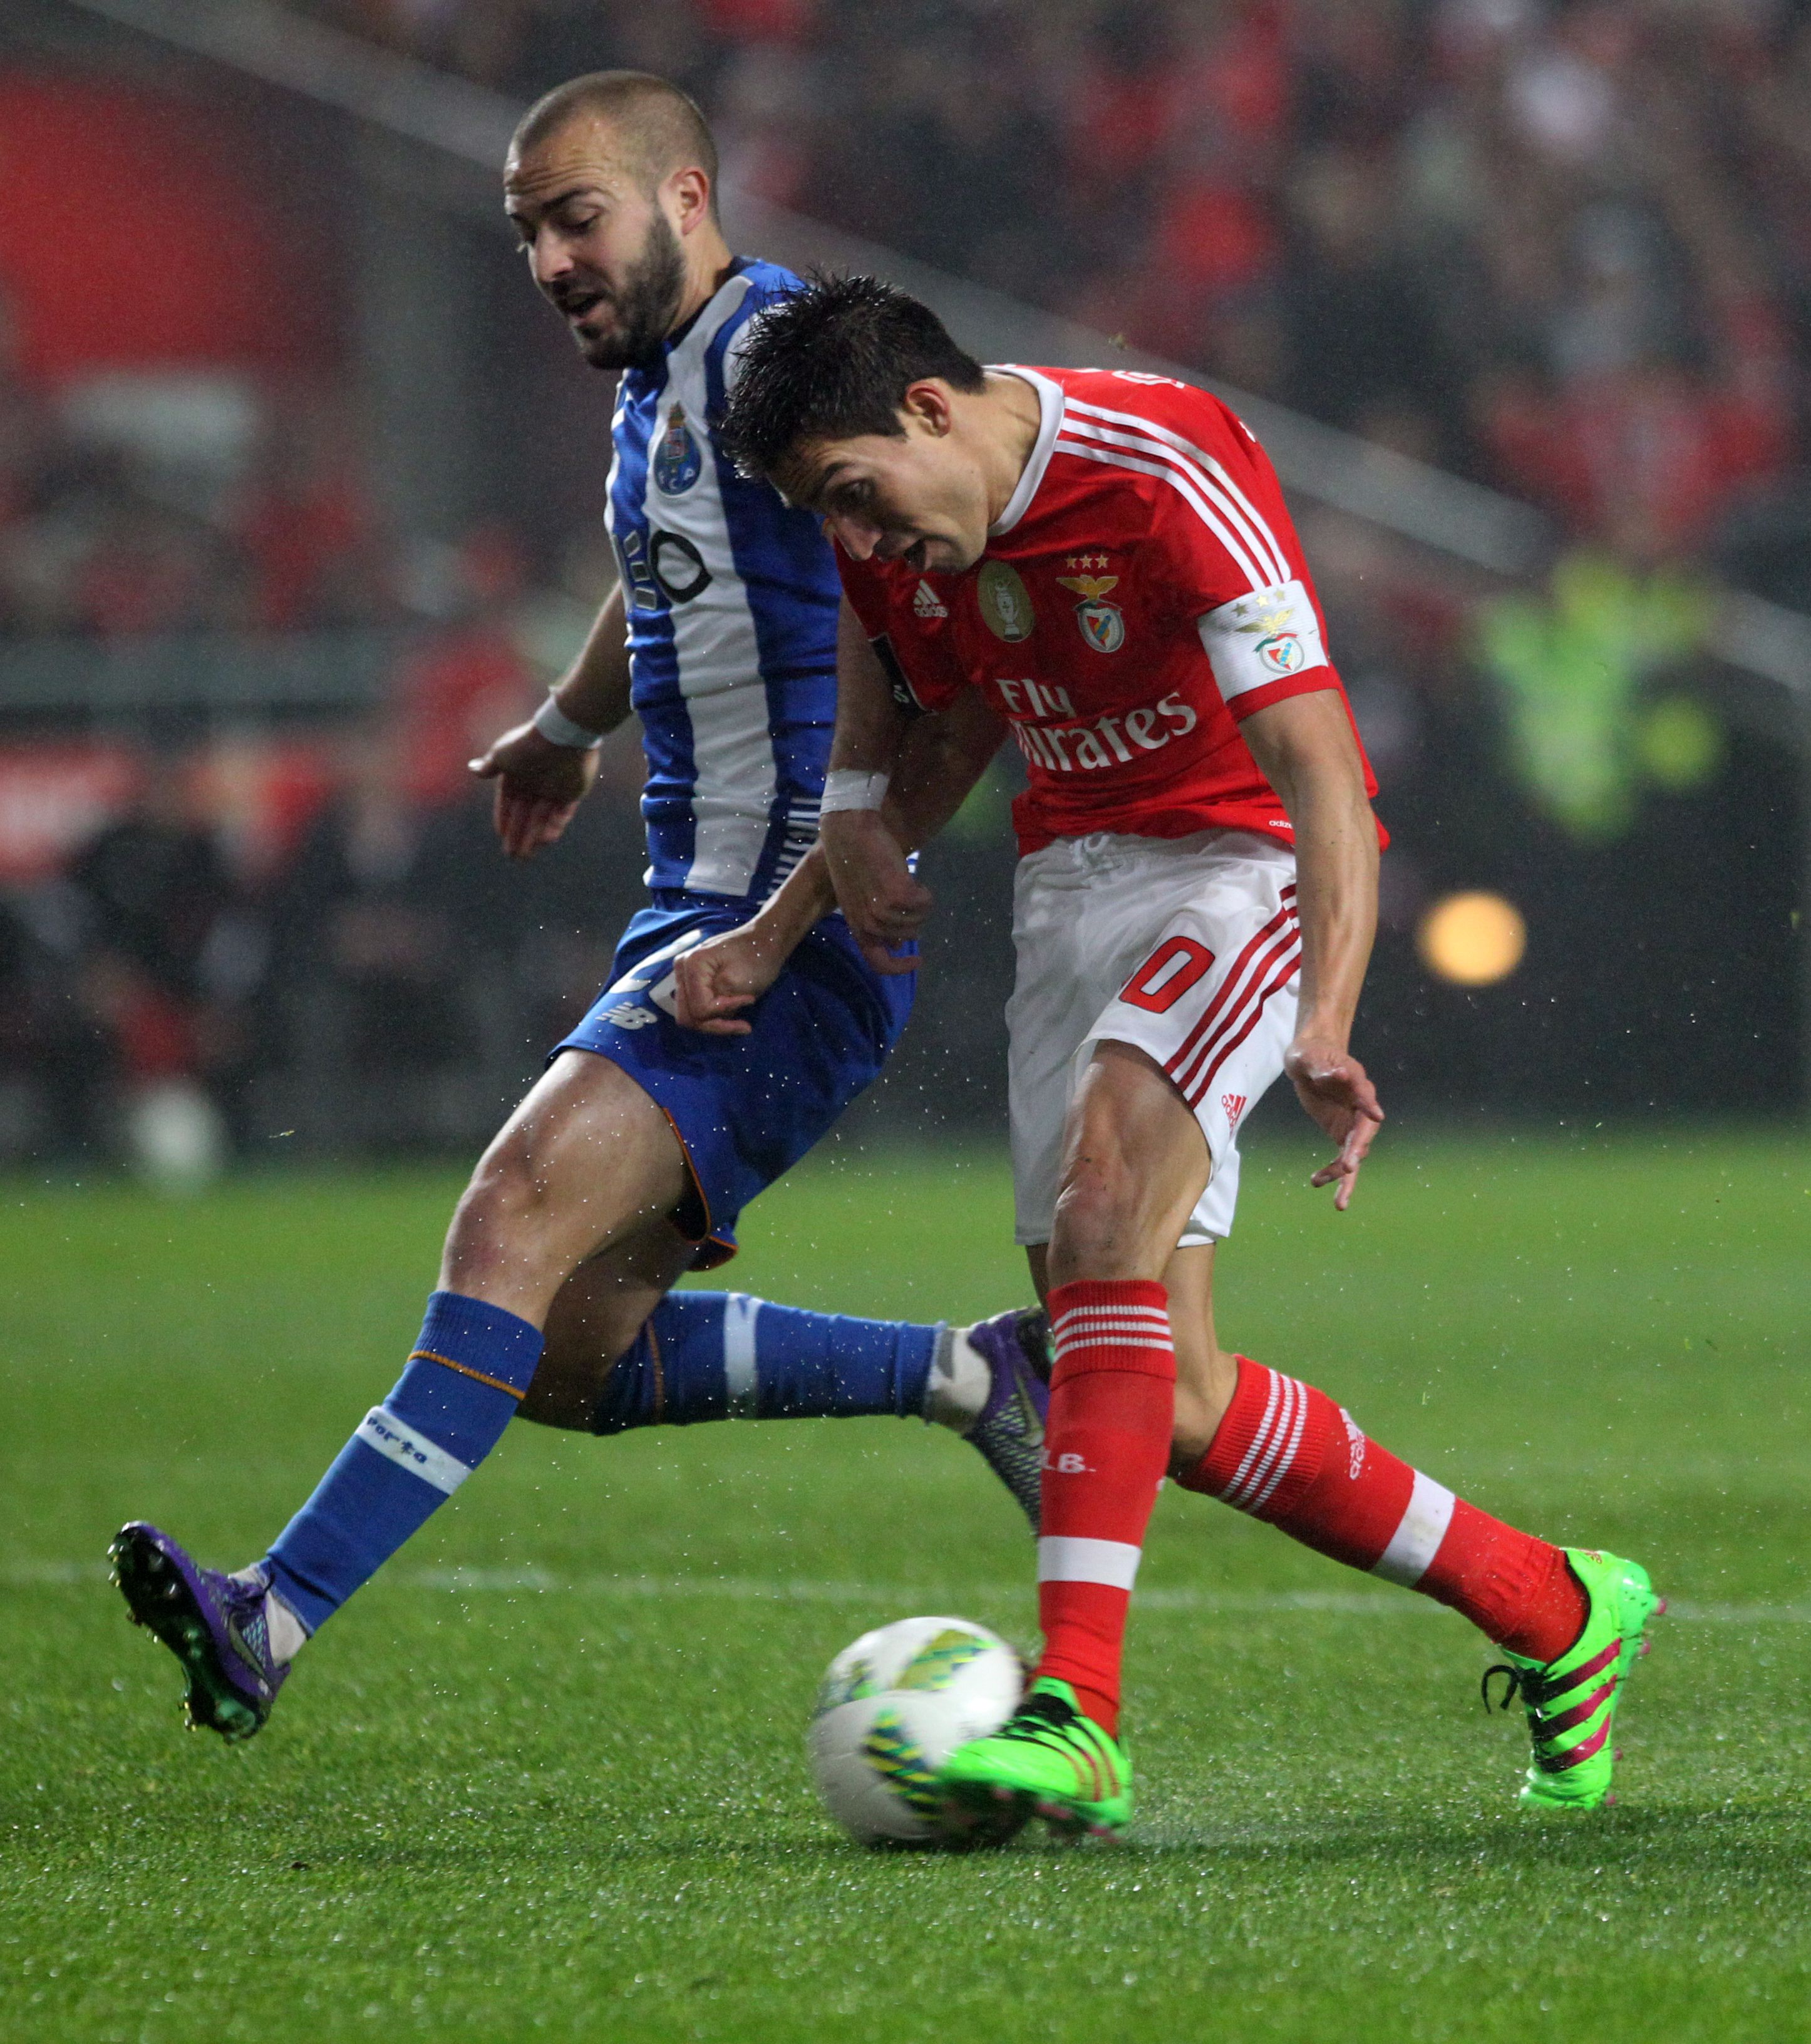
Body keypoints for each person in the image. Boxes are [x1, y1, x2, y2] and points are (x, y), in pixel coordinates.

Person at [109, 76, 1045, 1745]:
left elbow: (916, 618)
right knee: (565, 1358)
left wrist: (820, 884)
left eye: (575, 217)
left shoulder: (778, 360)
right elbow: (664, 564)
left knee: (511, 1216)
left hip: (781, 930)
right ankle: (973, 1376)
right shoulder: (661, 388)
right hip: (690, 912)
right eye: (525, 231)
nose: (547, 259)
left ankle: (272, 1612)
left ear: (686, 197)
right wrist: (564, 720)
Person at [694, 273, 1662, 1837]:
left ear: (930, 409)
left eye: (856, 497)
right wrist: (831, 852)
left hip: (1240, 863)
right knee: (1163, 1392)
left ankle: (1077, 1712)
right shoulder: (899, 521)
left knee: (1099, 1224)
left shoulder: (1161, 469)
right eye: (827, 515)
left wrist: (1327, 1016)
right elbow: (910, 685)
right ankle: (1556, 1606)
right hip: (1073, 881)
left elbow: (1324, 771)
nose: (854, 542)